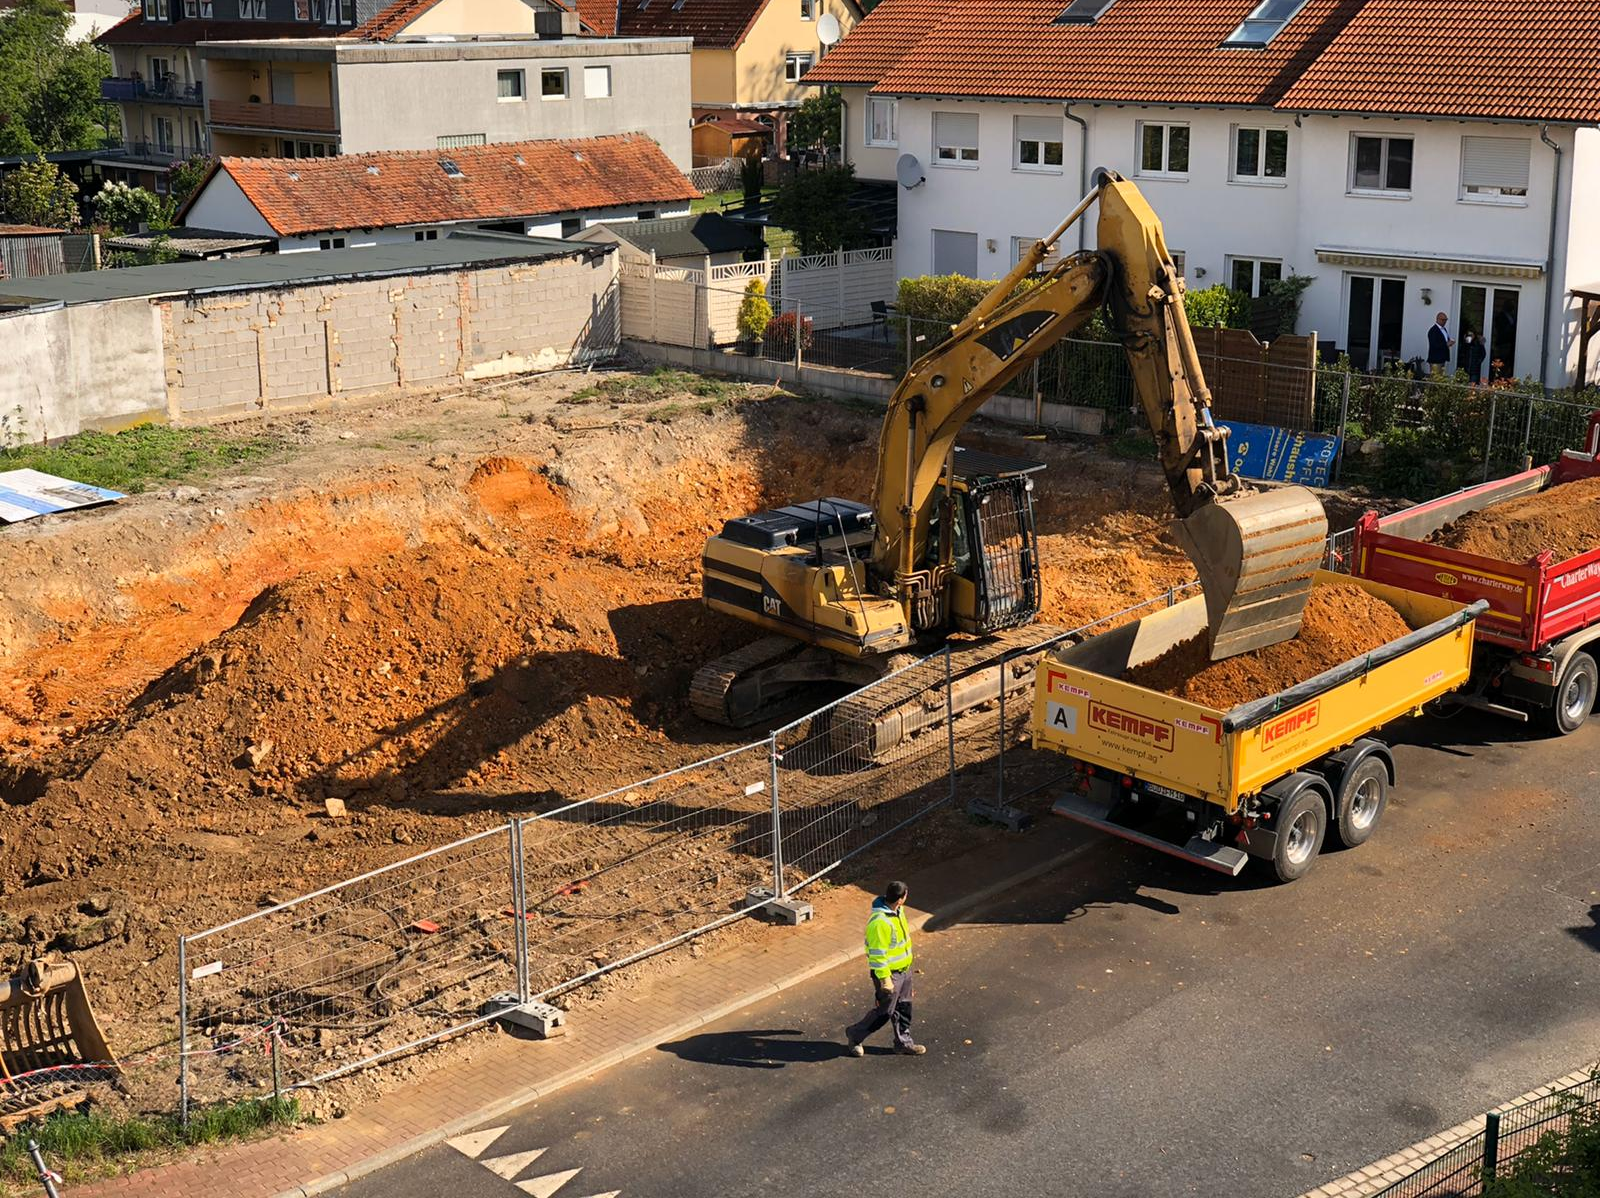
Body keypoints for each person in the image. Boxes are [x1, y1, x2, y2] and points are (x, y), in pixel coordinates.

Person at [844, 880, 925, 1057]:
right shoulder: (880, 923)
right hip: (889, 975)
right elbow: (877, 955)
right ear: (901, 899)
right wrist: (885, 980)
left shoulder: (898, 912)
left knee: (904, 1008)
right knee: (884, 1012)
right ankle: (855, 1035)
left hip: (904, 971)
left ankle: (903, 1043)